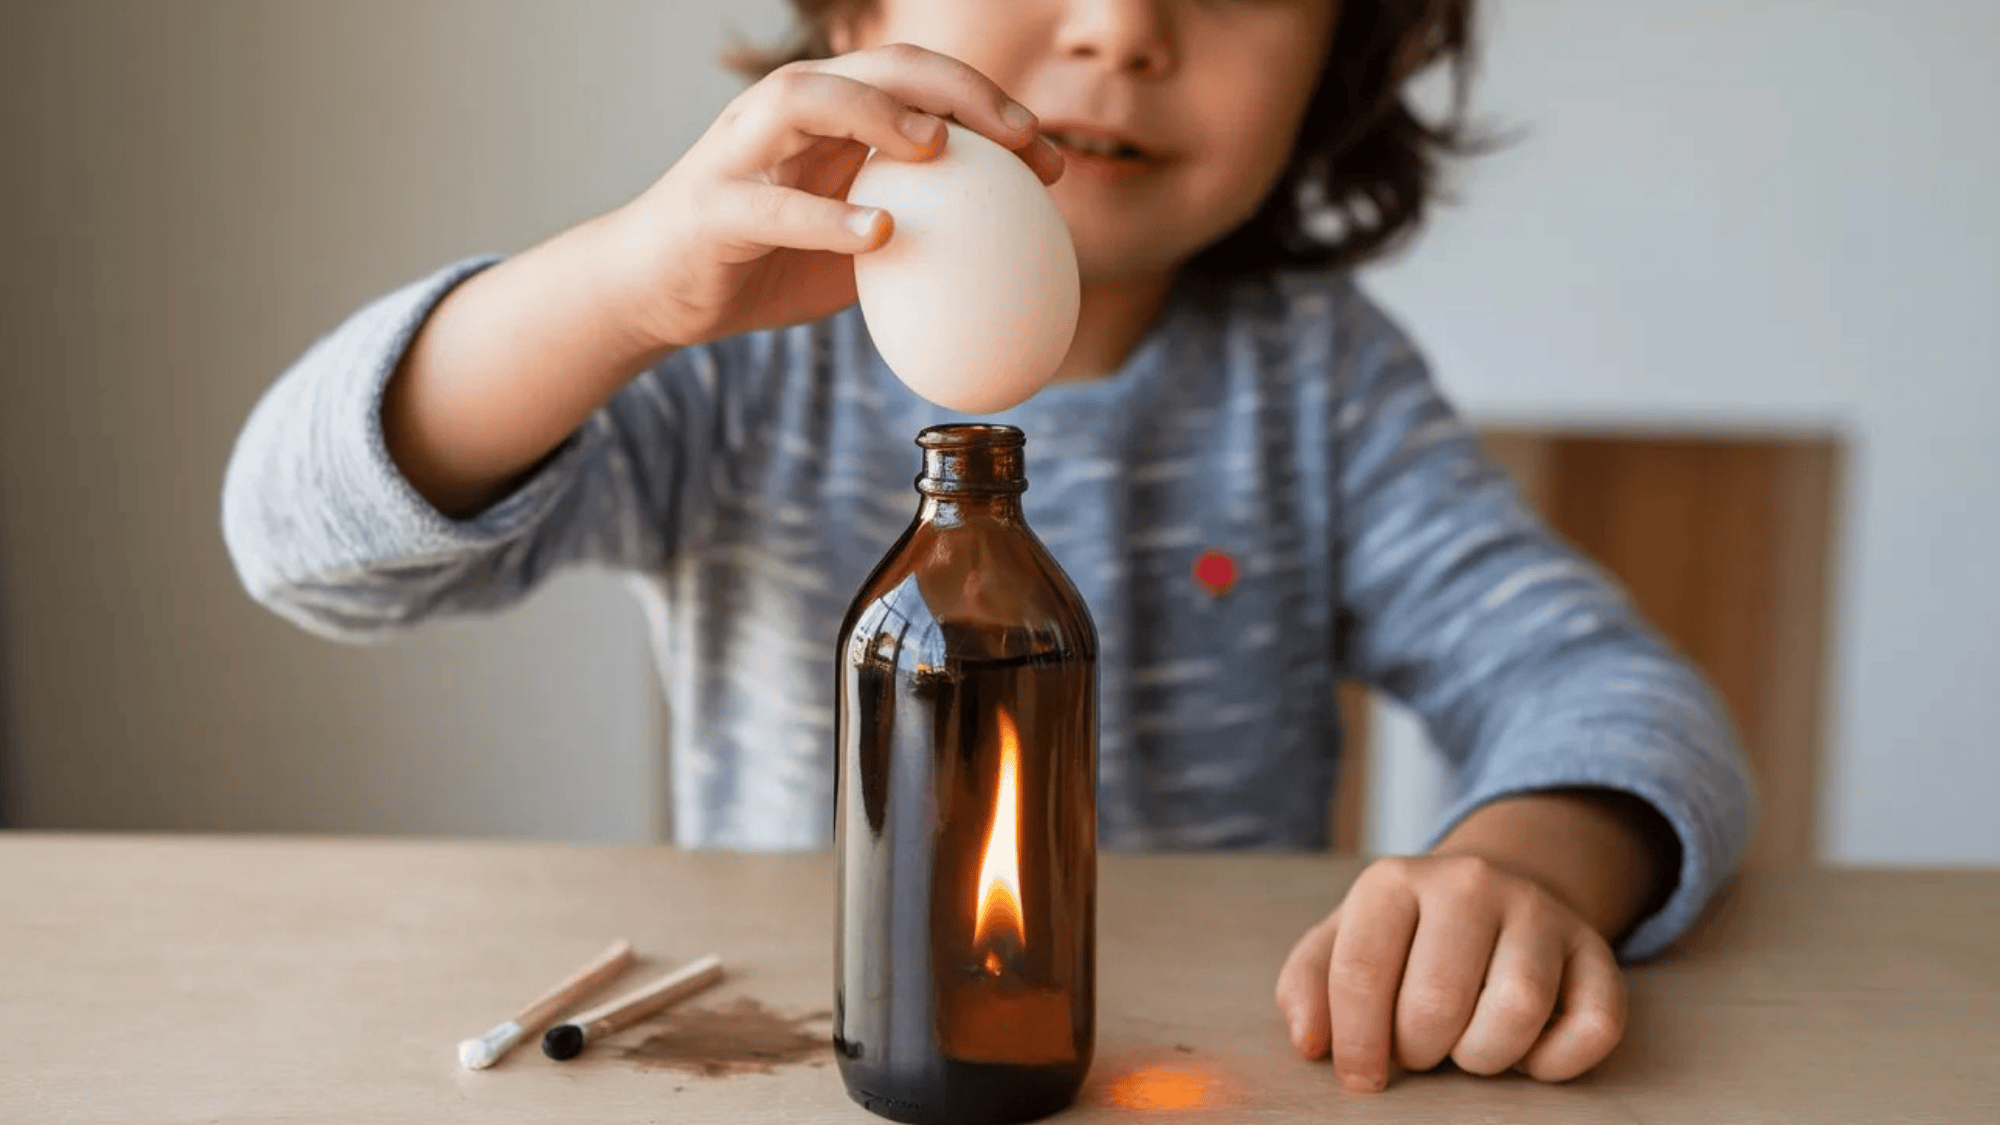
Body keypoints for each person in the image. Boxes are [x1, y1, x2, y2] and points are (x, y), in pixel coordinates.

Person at [222, 0, 1754, 1094]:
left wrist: (1515, 872)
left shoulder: (1319, 387)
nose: (1122, 25)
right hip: (788, 1059)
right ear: (855, 14)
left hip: (1220, 1065)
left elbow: (1608, 692)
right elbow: (304, 542)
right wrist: (627, 291)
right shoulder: (746, 366)